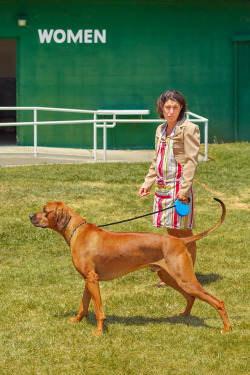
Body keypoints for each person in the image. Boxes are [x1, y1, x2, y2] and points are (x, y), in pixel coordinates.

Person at [139, 90, 200, 287]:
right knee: (170, 233)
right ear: (161, 108)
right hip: (162, 187)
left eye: (175, 107)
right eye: (168, 107)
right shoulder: (160, 129)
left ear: (181, 107)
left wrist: (184, 190)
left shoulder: (189, 128)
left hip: (179, 188)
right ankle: (175, 273)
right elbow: (157, 159)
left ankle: (188, 276)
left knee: (185, 233)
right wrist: (147, 183)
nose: (171, 111)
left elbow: (191, 161)